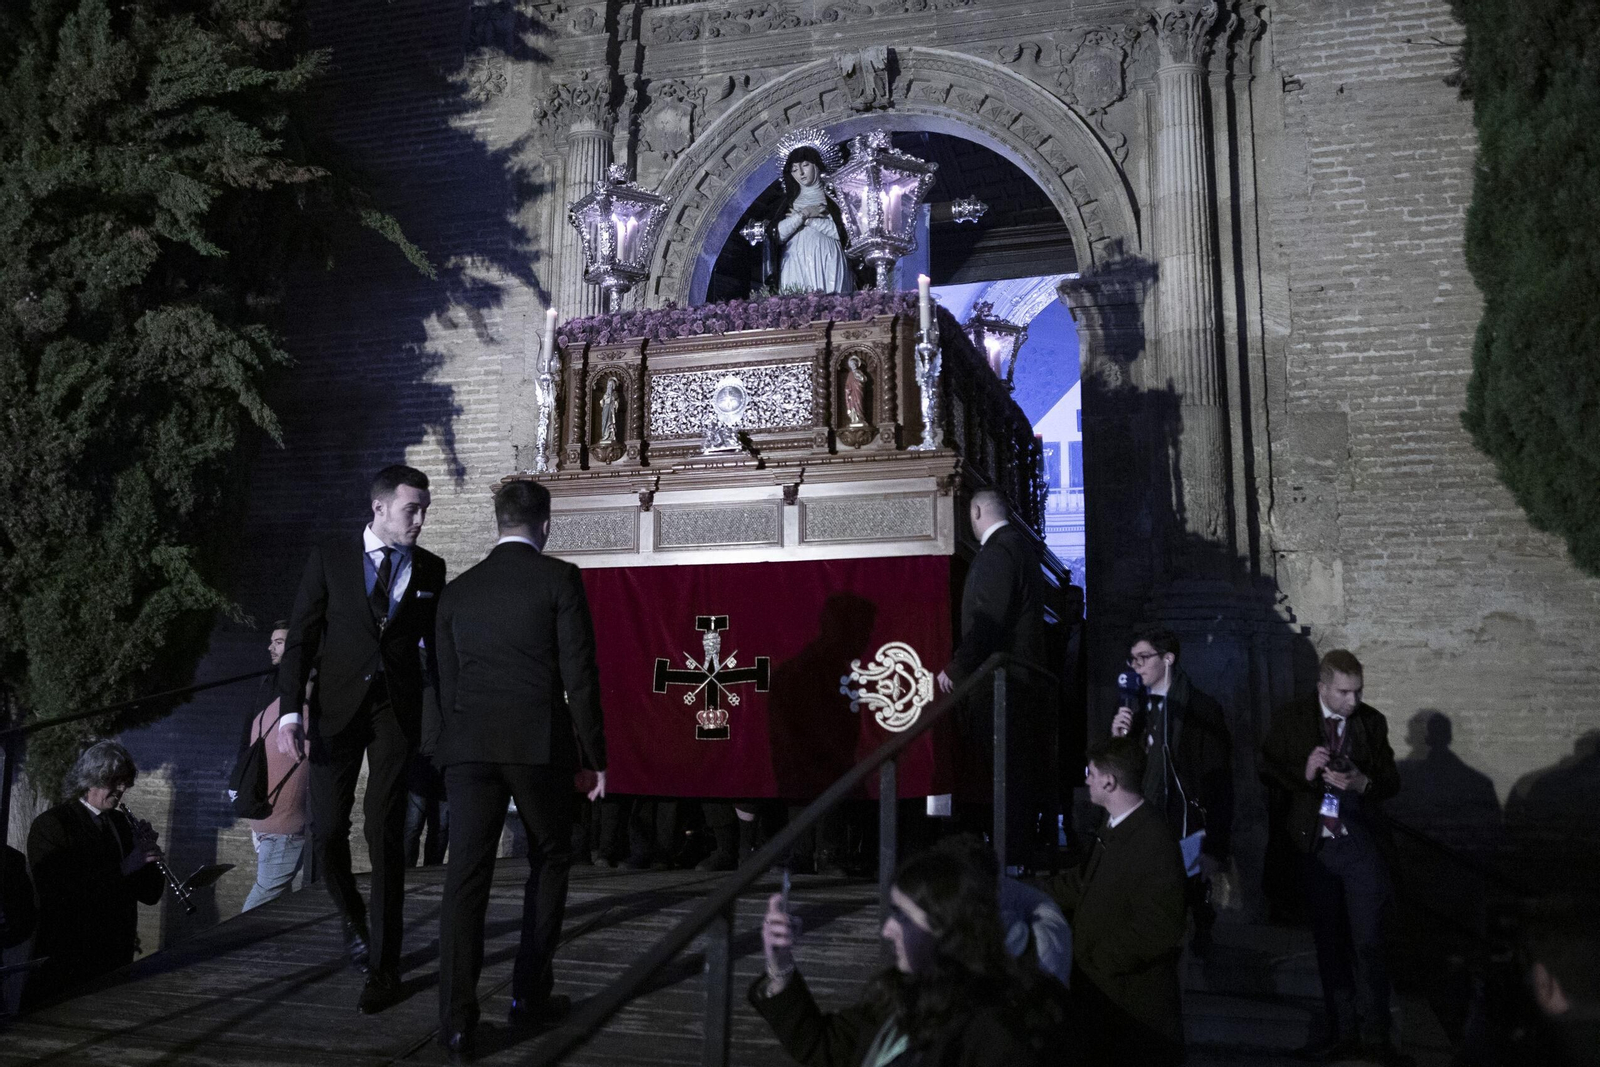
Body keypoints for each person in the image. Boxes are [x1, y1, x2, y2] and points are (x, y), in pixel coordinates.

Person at [428, 479, 607, 1064]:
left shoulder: (456, 593)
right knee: (551, 856)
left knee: (466, 878)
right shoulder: (559, 579)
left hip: (469, 745)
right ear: (546, 524)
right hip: (536, 744)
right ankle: (529, 994)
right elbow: (579, 677)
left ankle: (455, 1023)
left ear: (496, 521)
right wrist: (595, 757)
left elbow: (448, 686)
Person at [275, 464, 446, 1014]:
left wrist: (446, 719)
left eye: (424, 509)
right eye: (410, 509)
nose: (420, 519)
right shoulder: (330, 558)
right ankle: (354, 921)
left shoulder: (431, 569)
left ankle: (384, 966)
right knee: (326, 834)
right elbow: (300, 637)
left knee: (384, 829)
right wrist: (289, 714)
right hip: (334, 712)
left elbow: (437, 653)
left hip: (396, 713)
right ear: (379, 508)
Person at [753, 848, 1070, 1067]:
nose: (887, 930)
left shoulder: (1000, 1032)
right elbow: (825, 1048)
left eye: (902, 916)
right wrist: (780, 965)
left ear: (945, 925)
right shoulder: (904, 992)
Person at [1260, 650, 1403, 1064]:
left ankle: (1375, 1036)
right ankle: (1342, 1032)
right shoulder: (1294, 718)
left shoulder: (1371, 722)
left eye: (1358, 692)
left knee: (1369, 941)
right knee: (1329, 942)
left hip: (1358, 845)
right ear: (1323, 687)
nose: (1352, 701)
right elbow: (1267, 768)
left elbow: (1391, 781)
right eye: (1343, 692)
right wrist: (1304, 772)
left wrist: (1363, 783)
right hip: (1316, 845)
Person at [1047, 735, 1186, 1065]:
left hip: (1133, 1011)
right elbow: (1084, 882)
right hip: (1107, 1002)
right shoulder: (1114, 826)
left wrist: (1099, 960)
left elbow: (1161, 925)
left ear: (1109, 782)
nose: (1086, 779)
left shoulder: (1153, 839)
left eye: (1091, 773)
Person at [935, 488, 1049, 866]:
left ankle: (1009, 857)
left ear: (977, 511)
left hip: (1005, 685)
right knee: (1011, 774)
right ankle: (1013, 855)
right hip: (1020, 684)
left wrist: (958, 667)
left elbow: (988, 621)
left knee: (1003, 774)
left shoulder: (998, 552)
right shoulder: (1019, 548)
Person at [1110, 626, 1234, 952]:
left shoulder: (1200, 709)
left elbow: (1218, 781)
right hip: (1145, 820)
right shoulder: (1134, 709)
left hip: (1186, 821)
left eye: (1143, 658)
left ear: (1168, 659)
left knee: (1186, 900)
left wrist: (1215, 848)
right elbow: (1117, 773)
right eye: (1132, 659)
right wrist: (1118, 738)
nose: (1136, 666)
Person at [24, 740, 165, 1007]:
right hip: (69, 960)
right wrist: (124, 867)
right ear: (92, 778)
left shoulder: (121, 823)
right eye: (116, 781)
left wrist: (147, 857)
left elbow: (150, 894)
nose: (122, 789)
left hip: (115, 957)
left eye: (125, 781)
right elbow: (58, 895)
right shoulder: (53, 825)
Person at [241, 621, 311, 911]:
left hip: (265, 818)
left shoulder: (273, 704)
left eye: (278, 642)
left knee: (277, 904)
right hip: (283, 825)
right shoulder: (302, 715)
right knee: (263, 900)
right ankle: (229, 949)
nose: (270, 647)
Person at [764, 145, 854, 294]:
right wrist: (804, 214)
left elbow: (845, 234)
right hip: (795, 260)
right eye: (794, 169)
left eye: (805, 165)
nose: (800, 172)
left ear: (817, 165)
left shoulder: (835, 200)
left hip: (827, 258)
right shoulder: (788, 203)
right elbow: (777, 235)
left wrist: (810, 221)